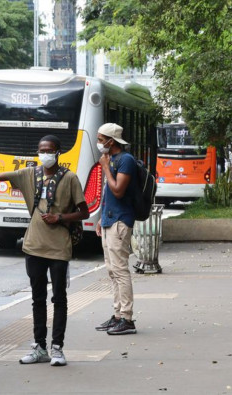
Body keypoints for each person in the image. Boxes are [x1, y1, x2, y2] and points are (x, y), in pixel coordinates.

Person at [0, 135, 89, 366]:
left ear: (58, 152)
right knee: (37, 299)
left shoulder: (70, 178)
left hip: (59, 247)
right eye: (41, 150)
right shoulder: (29, 174)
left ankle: (57, 348)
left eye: (49, 150)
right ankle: (40, 347)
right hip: (33, 246)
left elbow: (84, 212)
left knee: (59, 299)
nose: (44, 154)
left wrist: (60, 217)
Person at [94, 123, 139, 336]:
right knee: (112, 272)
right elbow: (107, 194)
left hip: (120, 221)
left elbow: (118, 191)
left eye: (101, 139)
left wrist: (104, 167)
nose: (99, 143)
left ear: (111, 141)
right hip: (108, 220)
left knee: (120, 271)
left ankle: (127, 318)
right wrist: (100, 219)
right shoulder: (111, 160)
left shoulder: (125, 160)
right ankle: (118, 314)